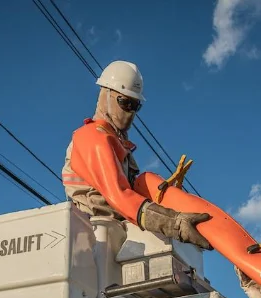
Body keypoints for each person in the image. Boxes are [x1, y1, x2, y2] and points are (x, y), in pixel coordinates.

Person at [61, 60, 213, 250]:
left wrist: (168, 200)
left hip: (118, 235)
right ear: (106, 95)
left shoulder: (118, 145)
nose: (131, 112)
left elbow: (133, 196)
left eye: (135, 106)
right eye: (125, 102)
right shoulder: (92, 137)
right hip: (96, 237)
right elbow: (120, 195)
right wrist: (174, 223)